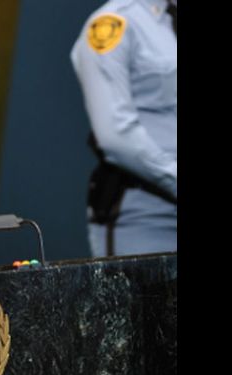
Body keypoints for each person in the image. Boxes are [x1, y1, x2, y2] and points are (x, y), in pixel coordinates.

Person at [70, 0, 176, 257]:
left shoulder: (167, 20)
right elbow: (116, 136)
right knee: (142, 285)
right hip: (146, 214)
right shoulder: (112, 24)